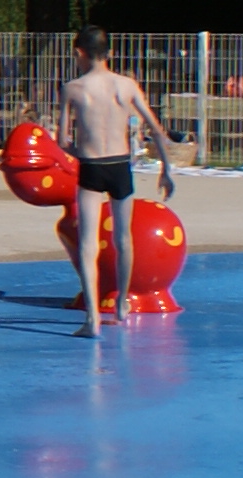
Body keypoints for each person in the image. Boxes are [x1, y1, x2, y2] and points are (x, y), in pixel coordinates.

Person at [58, 27, 180, 337]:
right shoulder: (126, 86)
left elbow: (62, 140)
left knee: (87, 244)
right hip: (119, 165)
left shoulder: (73, 88)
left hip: (91, 165)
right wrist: (166, 168)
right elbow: (154, 126)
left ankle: (92, 320)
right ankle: (123, 304)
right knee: (123, 239)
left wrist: (76, 150)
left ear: (79, 53)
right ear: (109, 53)